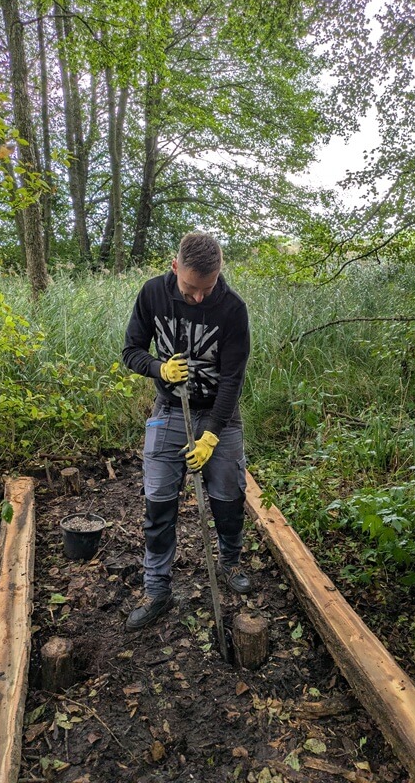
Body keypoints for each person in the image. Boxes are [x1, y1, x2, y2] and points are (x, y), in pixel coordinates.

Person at [122, 231, 251, 630]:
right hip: (169, 409)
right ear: (175, 267)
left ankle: (229, 563)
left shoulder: (232, 309)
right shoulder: (153, 295)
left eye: (206, 289)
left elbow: (232, 379)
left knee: (228, 495)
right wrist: (158, 368)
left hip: (219, 415)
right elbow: (131, 351)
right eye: (191, 288)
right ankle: (157, 588)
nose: (198, 297)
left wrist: (212, 434)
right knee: (158, 501)